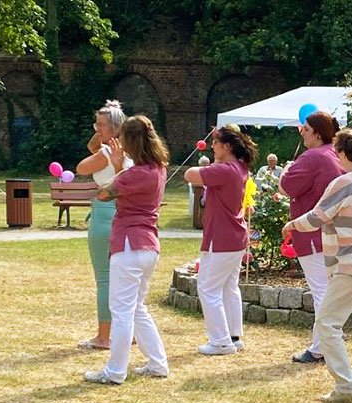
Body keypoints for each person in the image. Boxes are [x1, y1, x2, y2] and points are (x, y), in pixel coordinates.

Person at [281, 128, 352, 403]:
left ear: (341, 152)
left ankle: (345, 385)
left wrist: (292, 225)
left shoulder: (342, 182)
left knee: (328, 323)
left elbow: (318, 216)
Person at [84, 115, 170, 385]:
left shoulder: (134, 174)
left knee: (121, 311)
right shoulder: (159, 169)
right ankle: (158, 363)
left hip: (128, 246)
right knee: (136, 308)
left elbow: (103, 193)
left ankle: (115, 371)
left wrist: (118, 164)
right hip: (149, 246)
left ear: (130, 141)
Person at [184, 124, 257, 355]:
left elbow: (190, 175)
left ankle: (220, 341)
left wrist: (213, 163)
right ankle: (234, 336)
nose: (212, 145)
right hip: (234, 236)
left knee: (208, 288)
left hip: (222, 237)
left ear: (226, 146)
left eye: (216, 142)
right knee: (228, 287)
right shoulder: (240, 167)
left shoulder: (226, 170)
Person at [280, 111, 344, 364]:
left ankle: (321, 347)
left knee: (321, 291)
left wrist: (287, 171)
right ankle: (326, 343)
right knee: (328, 290)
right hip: (335, 232)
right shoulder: (335, 153)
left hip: (313, 232)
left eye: (305, 129)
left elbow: (287, 187)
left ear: (317, 132)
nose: (302, 132)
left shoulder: (313, 156)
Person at [75, 100, 131, 350]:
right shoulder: (133, 151)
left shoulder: (107, 154)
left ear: (115, 128)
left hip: (105, 213)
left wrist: (102, 141)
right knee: (128, 280)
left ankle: (103, 336)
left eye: (100, 125)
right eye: (95, 123)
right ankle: (131, 332)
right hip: (127, 215)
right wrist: (101, 133)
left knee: (105, 279)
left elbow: (81, 167)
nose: (96, 128)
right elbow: (91, 145)